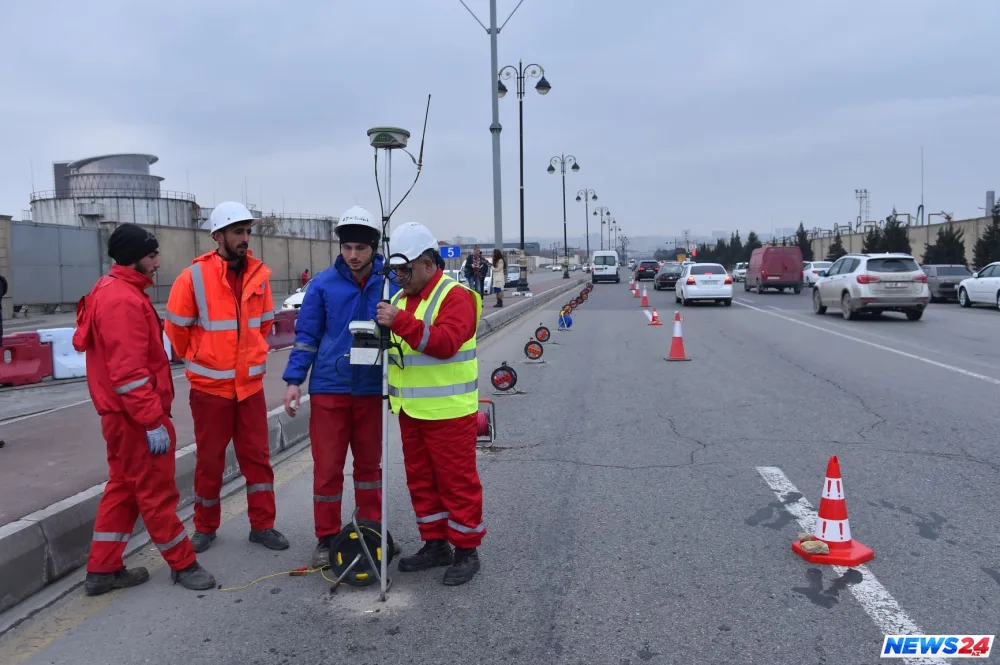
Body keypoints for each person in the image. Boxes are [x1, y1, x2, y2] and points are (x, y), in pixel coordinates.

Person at [72, 223, 216, 594]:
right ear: (134, 257)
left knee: (124, 488)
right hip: (136, 418)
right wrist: (152, 421)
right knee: (155, 493)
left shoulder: (108, 290)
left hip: (120, 416)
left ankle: (102, 570)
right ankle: (184, 564)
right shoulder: (123, 300)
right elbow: (129, 374)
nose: (157, 262)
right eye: (151, 255)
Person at [164, 201, 289, 554]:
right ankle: (205, 527)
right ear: (218, 236)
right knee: (210, 462)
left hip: (249, 387)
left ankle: (262, 525)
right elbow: (176, 330)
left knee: (258, 459)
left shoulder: (259, 275)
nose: (245, 237)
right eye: (238, 232)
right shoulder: (193, 277)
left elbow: (263, 325)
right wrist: (204, 357)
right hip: (210, 389)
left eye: (247, 231)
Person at [282, 206, 398, 568]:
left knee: (369, 469)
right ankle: (327, 537)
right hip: (330, 390)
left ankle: (370, 531)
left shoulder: (389, 283)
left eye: (360, 248)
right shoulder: (322, 284)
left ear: (373, 248)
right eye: (347, 247)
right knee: (328, 469)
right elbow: (307, 337)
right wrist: (294, 381)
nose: (353, 255)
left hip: (371, 391)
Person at [376, 222, 486, 586]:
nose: (398, 277)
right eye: (395, 270)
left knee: (457, 483)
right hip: (411, 411)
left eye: (404, 270)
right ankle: (436, 543)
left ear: (427, 263)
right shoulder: (399, 300)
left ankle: (466, 550)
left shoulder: (456, 296)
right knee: (421, 482)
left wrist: (400, 322)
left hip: (450, 413)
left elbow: (445, 343)